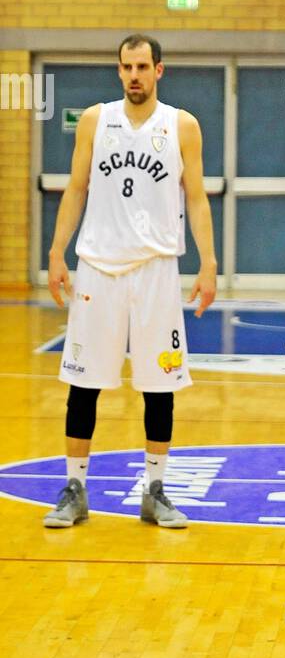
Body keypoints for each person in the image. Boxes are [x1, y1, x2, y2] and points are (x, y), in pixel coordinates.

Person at [44, 34, 217, 530]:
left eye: (143, 66)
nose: (135, 75)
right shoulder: (97, 121)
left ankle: (155, 490)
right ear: (118, 71)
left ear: (159, 70)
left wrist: (208, 263)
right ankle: (75, 489)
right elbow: (76, 188)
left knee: (159, 386)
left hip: (158, 269)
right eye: (127, 67)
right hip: (98, 267)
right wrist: (57, 251)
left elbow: (198, 198)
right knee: (84, 383)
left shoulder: (181, 125)